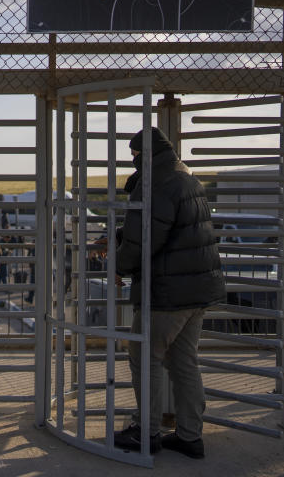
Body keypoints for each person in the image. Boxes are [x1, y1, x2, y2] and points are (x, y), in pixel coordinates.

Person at [111, 127, 225, 459]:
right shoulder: (185, 176)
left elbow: (145, 238)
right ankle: (190, 436)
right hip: (196, 289)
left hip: (168, 291)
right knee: (184, 361)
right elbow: (167, 225)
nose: (133, 164)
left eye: (134, 157)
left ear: (144, 156)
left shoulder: (155, 183)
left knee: (144, 356)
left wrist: (118, 265)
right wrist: (120, 235)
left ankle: (146, 432)